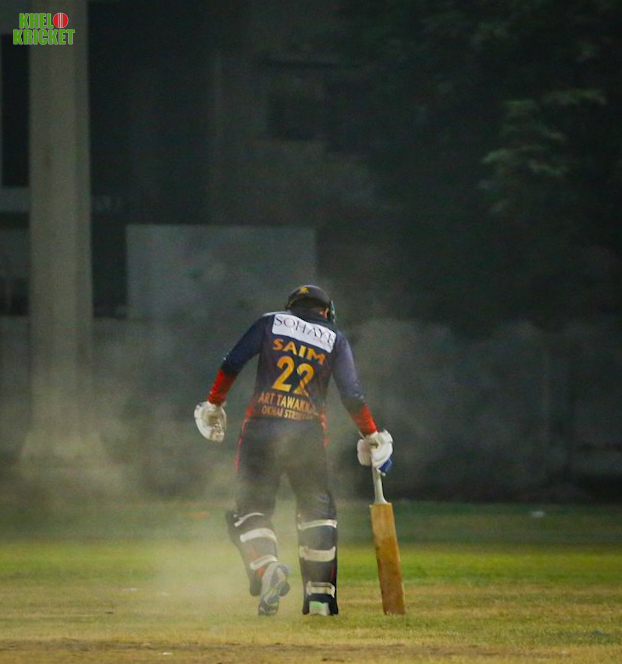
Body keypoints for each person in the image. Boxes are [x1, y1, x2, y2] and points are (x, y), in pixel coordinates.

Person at [194, 285, 393, 617]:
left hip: (260, 429)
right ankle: (320, 599)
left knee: (252, 510)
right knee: (318, 514)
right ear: (326, 312)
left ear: (292, 306)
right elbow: (352, 395)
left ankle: (267, 568)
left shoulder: (270, 322)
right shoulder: (335, 339)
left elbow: (231, 363)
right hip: (306, 434)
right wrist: (371, 433)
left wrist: (214, 402)